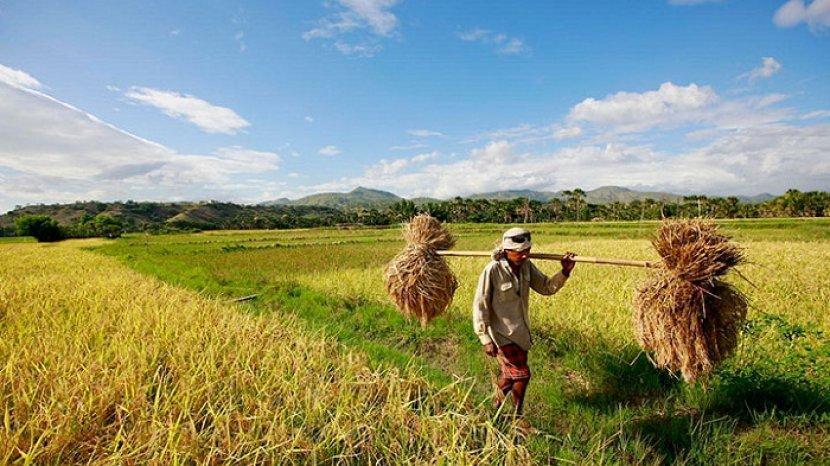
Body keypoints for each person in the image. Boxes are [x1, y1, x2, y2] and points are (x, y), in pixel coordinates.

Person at [472, 227, 576, 418]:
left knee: (510, 377)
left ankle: (495, 408)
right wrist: (484, 338)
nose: (524, 255)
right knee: (522, 375)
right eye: (519, 252)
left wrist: (565, 271)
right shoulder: (492, 270)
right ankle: (516, 416)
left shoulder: (527, 266)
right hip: (501, 334)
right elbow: (480, 304)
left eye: (526, 251)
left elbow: (546, 287)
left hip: (521, 333)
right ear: (506, 251)